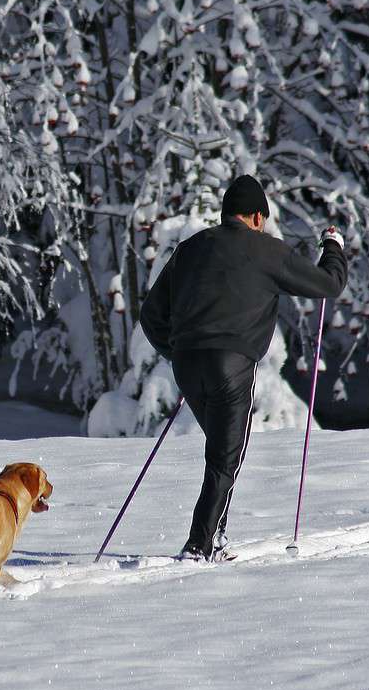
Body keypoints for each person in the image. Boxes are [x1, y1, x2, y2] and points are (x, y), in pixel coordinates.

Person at [138, 174, 347, 561]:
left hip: (186, 362)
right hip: (230, 363)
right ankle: (197, 546)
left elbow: (150, 315)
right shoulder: (267, 250)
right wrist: (333, 246)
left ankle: (214, 538)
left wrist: (179, 349)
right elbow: (329, 285)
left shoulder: (190, 248)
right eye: (262, 220)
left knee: (223, 453)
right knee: (224, 457)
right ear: (255, 216)